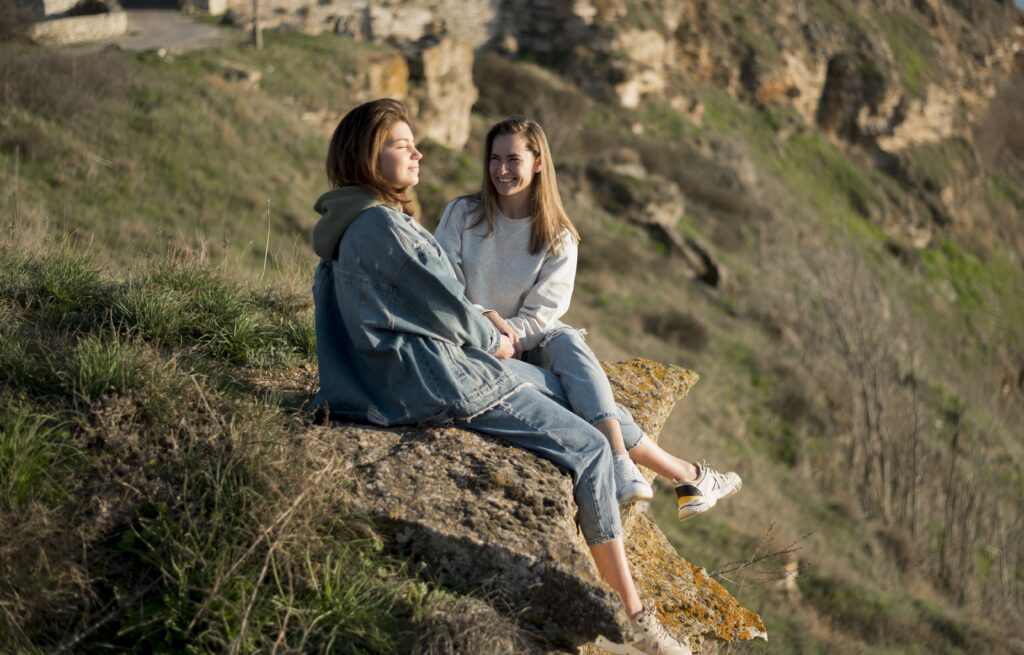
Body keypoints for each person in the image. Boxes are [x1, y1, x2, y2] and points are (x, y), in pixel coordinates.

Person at [310, 99, 691, 655]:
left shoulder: (347, 220)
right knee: (585, 448)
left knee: (565, 387)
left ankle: (672, 470)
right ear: (368, 157)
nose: (418, 152)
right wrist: (496, 336)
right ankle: (636, 621)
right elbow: (446, 310)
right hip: (434, 376)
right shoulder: (385, 227)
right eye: (400, 145)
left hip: (395, 371)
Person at [435, 116, 741, 522]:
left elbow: (543, 315)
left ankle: (621, 462)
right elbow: (442, 285)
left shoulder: (558, 235)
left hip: (528, 342)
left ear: (539, 162)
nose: (501, 170)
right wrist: (486, 323)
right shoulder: (462, 214)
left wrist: (510, 337)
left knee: (567, 342)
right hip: (472, 341)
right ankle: (684, 474)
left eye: (513, 159)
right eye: (495, 158)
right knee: (581, 393)